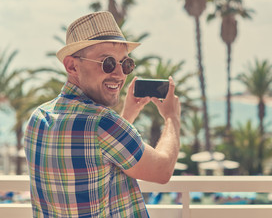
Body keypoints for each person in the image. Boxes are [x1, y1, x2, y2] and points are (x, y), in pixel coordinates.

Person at [24, 11, 181, 217]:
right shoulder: (103, 123)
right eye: (107, 62)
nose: (118, 74)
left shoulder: (38, 118)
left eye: (126, 64)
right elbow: (162, 170)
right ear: (72, 66)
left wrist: (127, 115)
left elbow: (98, 155)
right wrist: (172, 117)